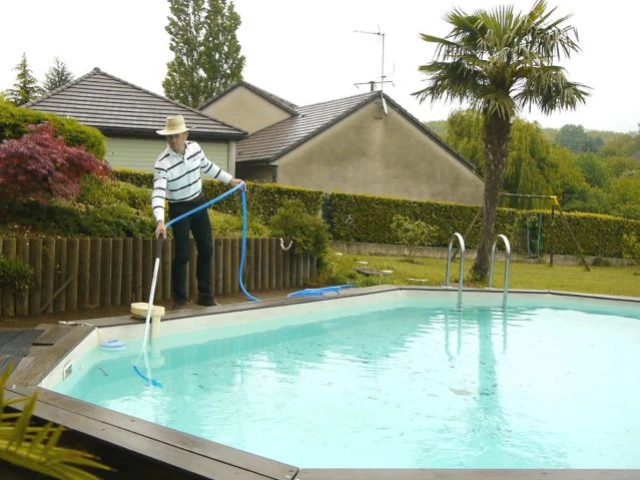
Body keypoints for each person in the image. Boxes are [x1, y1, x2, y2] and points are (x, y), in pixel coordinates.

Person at [152, 114, 243, 309]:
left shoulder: (195, 148)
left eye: (176, 136)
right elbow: (158, 193)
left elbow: (208, 167)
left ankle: (205, 295)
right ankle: (180, 299)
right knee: (183, 254)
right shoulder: (162, 162)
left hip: (199, 204)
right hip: (179, 208)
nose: (173, 140)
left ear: (185, 135)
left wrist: (231, 180)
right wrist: (160, 220)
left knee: (207, 249)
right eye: (170, 137)